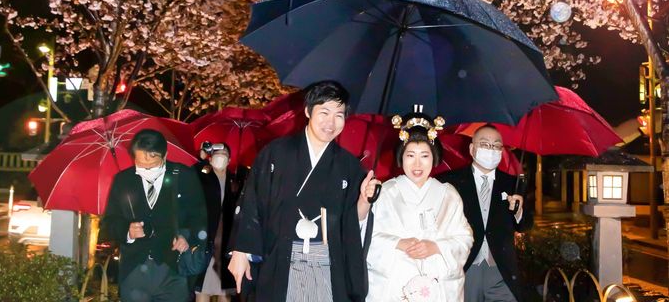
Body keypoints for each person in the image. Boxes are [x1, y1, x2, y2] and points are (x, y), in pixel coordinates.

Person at [227, 80, 379, 302]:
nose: (331, 122)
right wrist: (241, 251)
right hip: (280, 259)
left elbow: (351, 223)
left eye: (339, 115)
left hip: (325, 264)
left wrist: (365, 200)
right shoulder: (276, 153)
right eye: (324, 112)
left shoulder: (349, 166)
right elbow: (252, 202)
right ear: (308, 111)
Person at [362, 113, 473, 301]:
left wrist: (436, 247)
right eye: (410, 155)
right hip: (394, 286)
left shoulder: (448, 195)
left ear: (434, 157)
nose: (417, 164)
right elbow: (367, 236)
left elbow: (464, 239)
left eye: (425, 156)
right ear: (401, 157)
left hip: (437, 286)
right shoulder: (385, 192)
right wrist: (398, 243)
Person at [101, 129, 207, 302]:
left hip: (173, 269)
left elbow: (200, 217)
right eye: (141, 164)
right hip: (134, 270)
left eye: (152, 165)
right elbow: (108, 223)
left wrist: (188, 237)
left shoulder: (183, 176)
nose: (147, 169)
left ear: (164, 156)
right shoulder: (123, 180)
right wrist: (127, 231)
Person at [437, 125, 532, 302]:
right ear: (472, 149)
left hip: (501, 270)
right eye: (485, 144)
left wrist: (519, 212)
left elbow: (525, 225)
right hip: (464, 266)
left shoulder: (513, 184)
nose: (491, 150)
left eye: (496, 146)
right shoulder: (449, 182)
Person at [193, 142, 245, 302]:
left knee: (225, 290)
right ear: (210, 158)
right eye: (216, 154)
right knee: (202, 288)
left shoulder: (235, 181)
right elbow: (190, 175)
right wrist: (201, 159)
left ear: (229, 160)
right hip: (206, 240)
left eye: (224, 154)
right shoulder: (203, 178)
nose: (220, 157)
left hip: (227, 242)